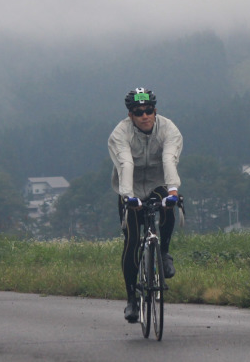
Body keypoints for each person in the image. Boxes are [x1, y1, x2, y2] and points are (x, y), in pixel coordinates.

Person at [108, 87, 183, 323]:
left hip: (158, 182)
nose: (144, 116)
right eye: (138, 112)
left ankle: (164, 252)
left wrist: (172, 191)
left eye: (148, 110)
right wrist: (129, 197)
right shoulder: (120, 133)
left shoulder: (168, 129)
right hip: (129, 188)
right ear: (130, 115)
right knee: (131, 242)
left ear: (155, 110)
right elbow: (125, 163)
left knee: (170, 205)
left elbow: (169, 158)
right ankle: (132, 299)